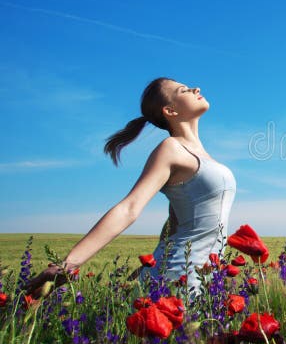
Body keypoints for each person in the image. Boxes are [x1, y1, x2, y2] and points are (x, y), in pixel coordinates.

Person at [24, 77, 237, 298]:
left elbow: (177, 221)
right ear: (170, 111)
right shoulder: (171, 148)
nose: (196, 88)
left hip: (207, 275)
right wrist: (70, 263)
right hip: (182, 273)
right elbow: (130, 207)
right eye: (184, 90)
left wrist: (151, 263)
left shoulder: (203, 155)